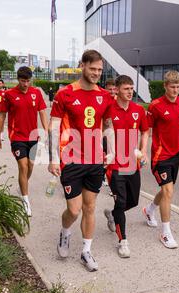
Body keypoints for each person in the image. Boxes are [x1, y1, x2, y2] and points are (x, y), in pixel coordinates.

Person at [48, 50, 115, 272]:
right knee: (74, 210)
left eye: (99, 70)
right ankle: (65, 232)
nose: (96, 73)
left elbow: (108, 126)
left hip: (95, 160)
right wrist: (53, 159)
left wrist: (112, 151)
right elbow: (54, 126)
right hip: (71, 159)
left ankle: (86, 251)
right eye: (92, 68)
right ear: (82, 66)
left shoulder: (105, 96)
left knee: (90, 207)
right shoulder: (65, 94)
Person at [142, 70, 179, 249]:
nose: (175, 90)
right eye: (172, 87)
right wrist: (144, 151)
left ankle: (149, 210)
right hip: (160, 155)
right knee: (168, 192)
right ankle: (165, 233)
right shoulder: (155, 106)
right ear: (165, 86)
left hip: (176, 154)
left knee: (166, 191)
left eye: (178, 87)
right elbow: (147, 130)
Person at [103, 75, 149, 258]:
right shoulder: (108, 110)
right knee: (121, 202)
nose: (130, 92)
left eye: (131, 88)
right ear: (117, 90)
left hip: (132, 163)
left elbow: (145, 131)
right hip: (114, 166)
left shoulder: (138, 109)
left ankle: (113, 214)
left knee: (133, 201)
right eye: (126, 89)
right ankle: (123, 242)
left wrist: (143, 151)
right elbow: (100, 132)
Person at [0, 67, 49, 217]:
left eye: (28, 81)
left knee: (30, 166)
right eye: (23, 81)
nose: (25, 84)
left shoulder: (36, 93)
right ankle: (26, 201)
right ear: (18, 79)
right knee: (23, 166)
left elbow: (43, 113)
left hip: (33, 136)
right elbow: (2, 116)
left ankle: (22, 185)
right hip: (17, 137)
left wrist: (47, 131)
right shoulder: (9, 94)